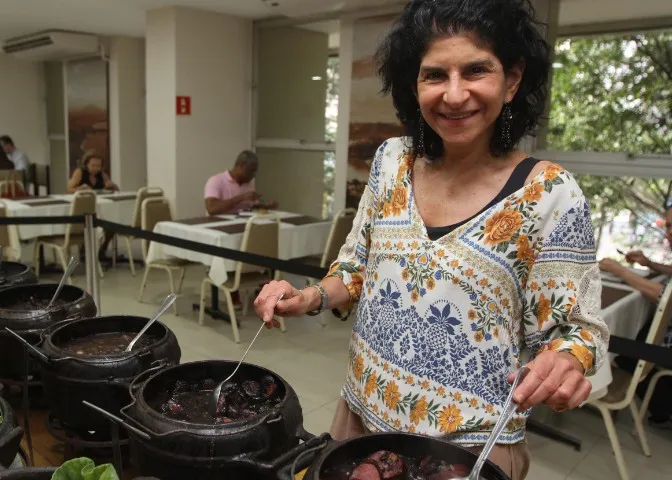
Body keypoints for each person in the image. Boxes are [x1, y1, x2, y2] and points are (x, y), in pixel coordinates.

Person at [253, 1, 608, 478]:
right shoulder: (391, 162)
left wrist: (568, 361)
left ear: (513, 79)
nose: (454, 95)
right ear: (413, 83)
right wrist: (309, 297)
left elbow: (576, 328)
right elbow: (356, 267)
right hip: (361, 421)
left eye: (476, 70)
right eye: (435, 75)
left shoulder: (548, 194)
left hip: (463, 451)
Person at [599, 206, 672, 428]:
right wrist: (648, 263)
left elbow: (664, 297)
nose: (669, 232)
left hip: (663, 353)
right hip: (659, 348)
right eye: (668, 226)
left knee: (597, 336)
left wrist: (621, 271)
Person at [67, 152, 118, 259]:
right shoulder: (80, 172)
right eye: (93, 165)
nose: (96, 168)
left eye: (98, 166)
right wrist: (79, 188)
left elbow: (115, 189)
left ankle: (102, 250)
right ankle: (85, 251)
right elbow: (69, 189)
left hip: (100, 205)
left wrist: (111, 185)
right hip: (84, 205)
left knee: (112, 224)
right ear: (87, 164)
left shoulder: (102, 175)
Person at [204, 150, 277, 215]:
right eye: (251, 171)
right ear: (241, 166)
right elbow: (211, 208)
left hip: (242, 226)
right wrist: (241, 198)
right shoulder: (216, 181)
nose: (254, 175)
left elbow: (251, 207)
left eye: (255, 172)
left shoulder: (249, 185)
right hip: (218, 226)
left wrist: (266, 206)